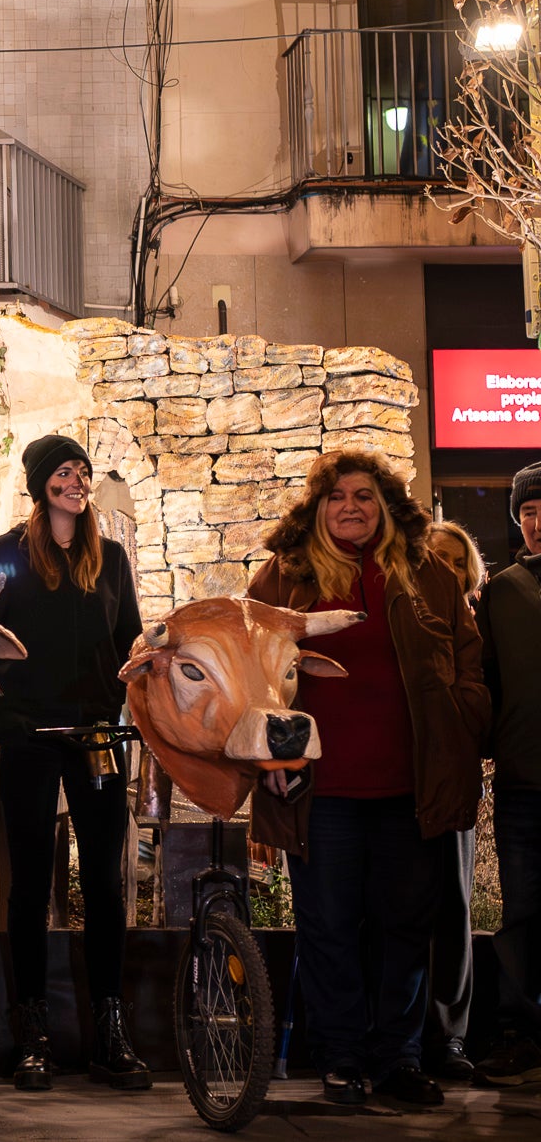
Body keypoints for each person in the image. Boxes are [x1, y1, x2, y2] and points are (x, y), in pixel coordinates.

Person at [248, 449, 488, 1108]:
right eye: (336, 496)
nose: (350, 505)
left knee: (405, 925)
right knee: (329, 926)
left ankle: (399, 1057)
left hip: (410, 789)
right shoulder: (285, 577)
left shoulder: (426, 573)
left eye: (364, 495)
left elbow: (469, 659)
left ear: (385, 506)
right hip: (318, 790)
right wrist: (269, 755)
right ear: (317, 507)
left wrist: (464, 715)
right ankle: (344, 1058)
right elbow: (249, 670)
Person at [0, 434, 147, 1093]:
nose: (75, 480)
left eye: (82, 471)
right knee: (31, 885)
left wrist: (132, 698)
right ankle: (32, 1031)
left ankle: (110, 1028)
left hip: (95, 732)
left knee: (103, 880)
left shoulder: (113, 561)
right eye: (63, 471)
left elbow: (130, 639)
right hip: (29, 735)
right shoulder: (7, 556)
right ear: (41, 483)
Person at [475, 461, 541, 1087]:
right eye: (529, 513)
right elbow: (484, 681)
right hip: (524, 780)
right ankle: (519, 1035)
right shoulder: (501, 591)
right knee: (519, 914)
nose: (539, 523)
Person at [421, 520, 487, 1081]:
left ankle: (450, 1037)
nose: (444, 568)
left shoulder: (483, 620)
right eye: (433, 558)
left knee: (454, 906)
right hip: (407, 780)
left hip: (457, 778)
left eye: (455, 560)